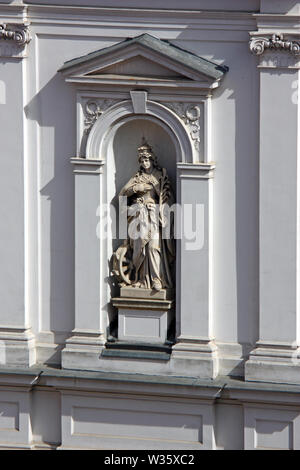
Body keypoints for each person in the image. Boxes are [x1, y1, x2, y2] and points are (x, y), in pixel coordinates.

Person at [113, 141, 175, 291]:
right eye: (142, 160)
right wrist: (135, 188)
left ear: (153, 160)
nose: (145, 163)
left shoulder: (160, 176)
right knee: (140, 248)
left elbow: (168, 198)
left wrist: (159, 209)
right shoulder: (137, 178)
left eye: (147, 159)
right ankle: (141, 279)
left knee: (153, 247)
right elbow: (122, 195)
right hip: (139, 218)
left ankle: (156, 279)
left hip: (154, 217)